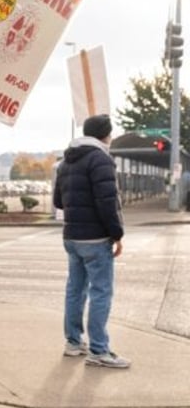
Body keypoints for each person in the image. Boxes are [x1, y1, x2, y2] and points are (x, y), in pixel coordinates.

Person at [53, 113, 129, 368]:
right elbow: (107, 203)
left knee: (75, 290)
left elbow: (57, 202)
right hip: (96, 238)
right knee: (101, 292)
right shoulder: (101, 159)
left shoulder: (66, 161)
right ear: (105, 134)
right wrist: (117, 234)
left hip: (71, 236)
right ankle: (99, 350)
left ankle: (73, 343)